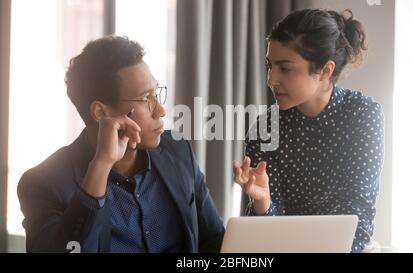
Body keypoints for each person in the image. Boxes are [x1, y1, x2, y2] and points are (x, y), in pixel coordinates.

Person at [17, 36, 224, 253]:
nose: (160, 110)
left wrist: (259, 212)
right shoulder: (45, 183)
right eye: (146, 98)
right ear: (100, 112)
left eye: (156, 93)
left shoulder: (177, 150)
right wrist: (101, 165)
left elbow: (215, 242)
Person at [232, 9, 384, 252]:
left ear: (324, 71)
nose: (271, 79)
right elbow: (266, 234)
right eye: (270, 66)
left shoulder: (362, 115)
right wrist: (263, 201)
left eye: (285, 68)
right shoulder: (264, 128)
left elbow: (358, 211)